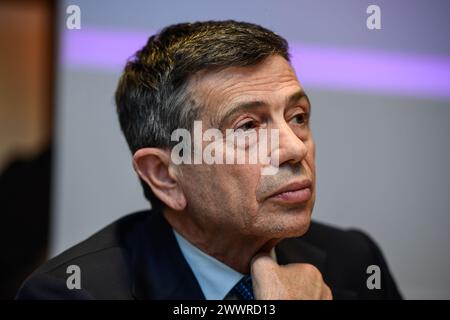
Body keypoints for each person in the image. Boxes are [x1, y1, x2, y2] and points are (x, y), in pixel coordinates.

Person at [17, 20, 402, 300]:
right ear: (165, 175)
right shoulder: (73, 292)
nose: (295, 149)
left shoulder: (353, 258)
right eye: (248, 126)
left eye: (297, 117)